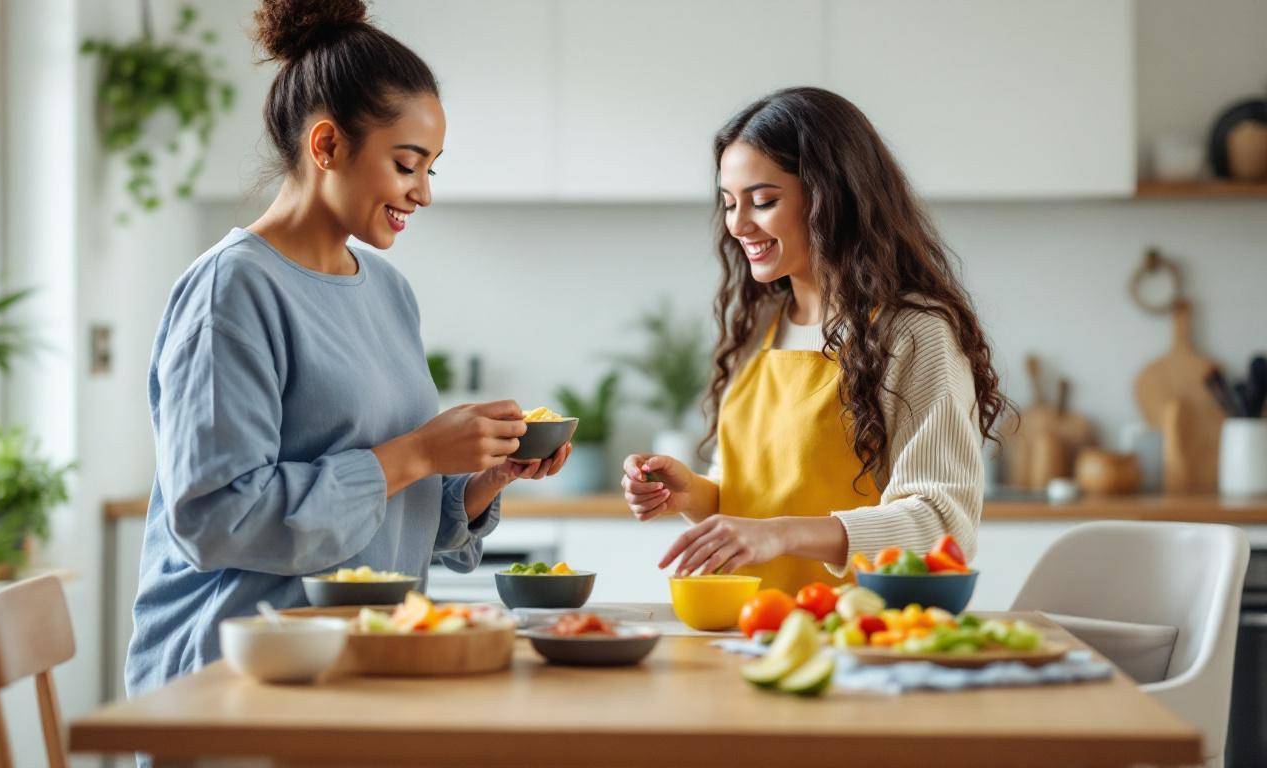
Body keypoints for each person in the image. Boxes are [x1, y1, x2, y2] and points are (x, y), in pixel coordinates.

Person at [126, 0, 570, 697]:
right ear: (327, 145)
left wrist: (476, 482)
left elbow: (382, 506)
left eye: (432, 168)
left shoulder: (388, 291)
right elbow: (216, 519)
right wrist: (419, 452)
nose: (423, 192)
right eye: (407, 164)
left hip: (363, 668)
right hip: (239, 684)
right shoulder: (233, 290)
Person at [621, 87, 1008, 595]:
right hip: (753, 631)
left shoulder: (914, 331)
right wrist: (693, 495)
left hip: (863, 634)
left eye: (763, 201)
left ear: (833, 198)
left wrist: (782, 534)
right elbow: (755, 508)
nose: (737, 225)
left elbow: (941, 521)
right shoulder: (758, 326)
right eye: (729, 204)